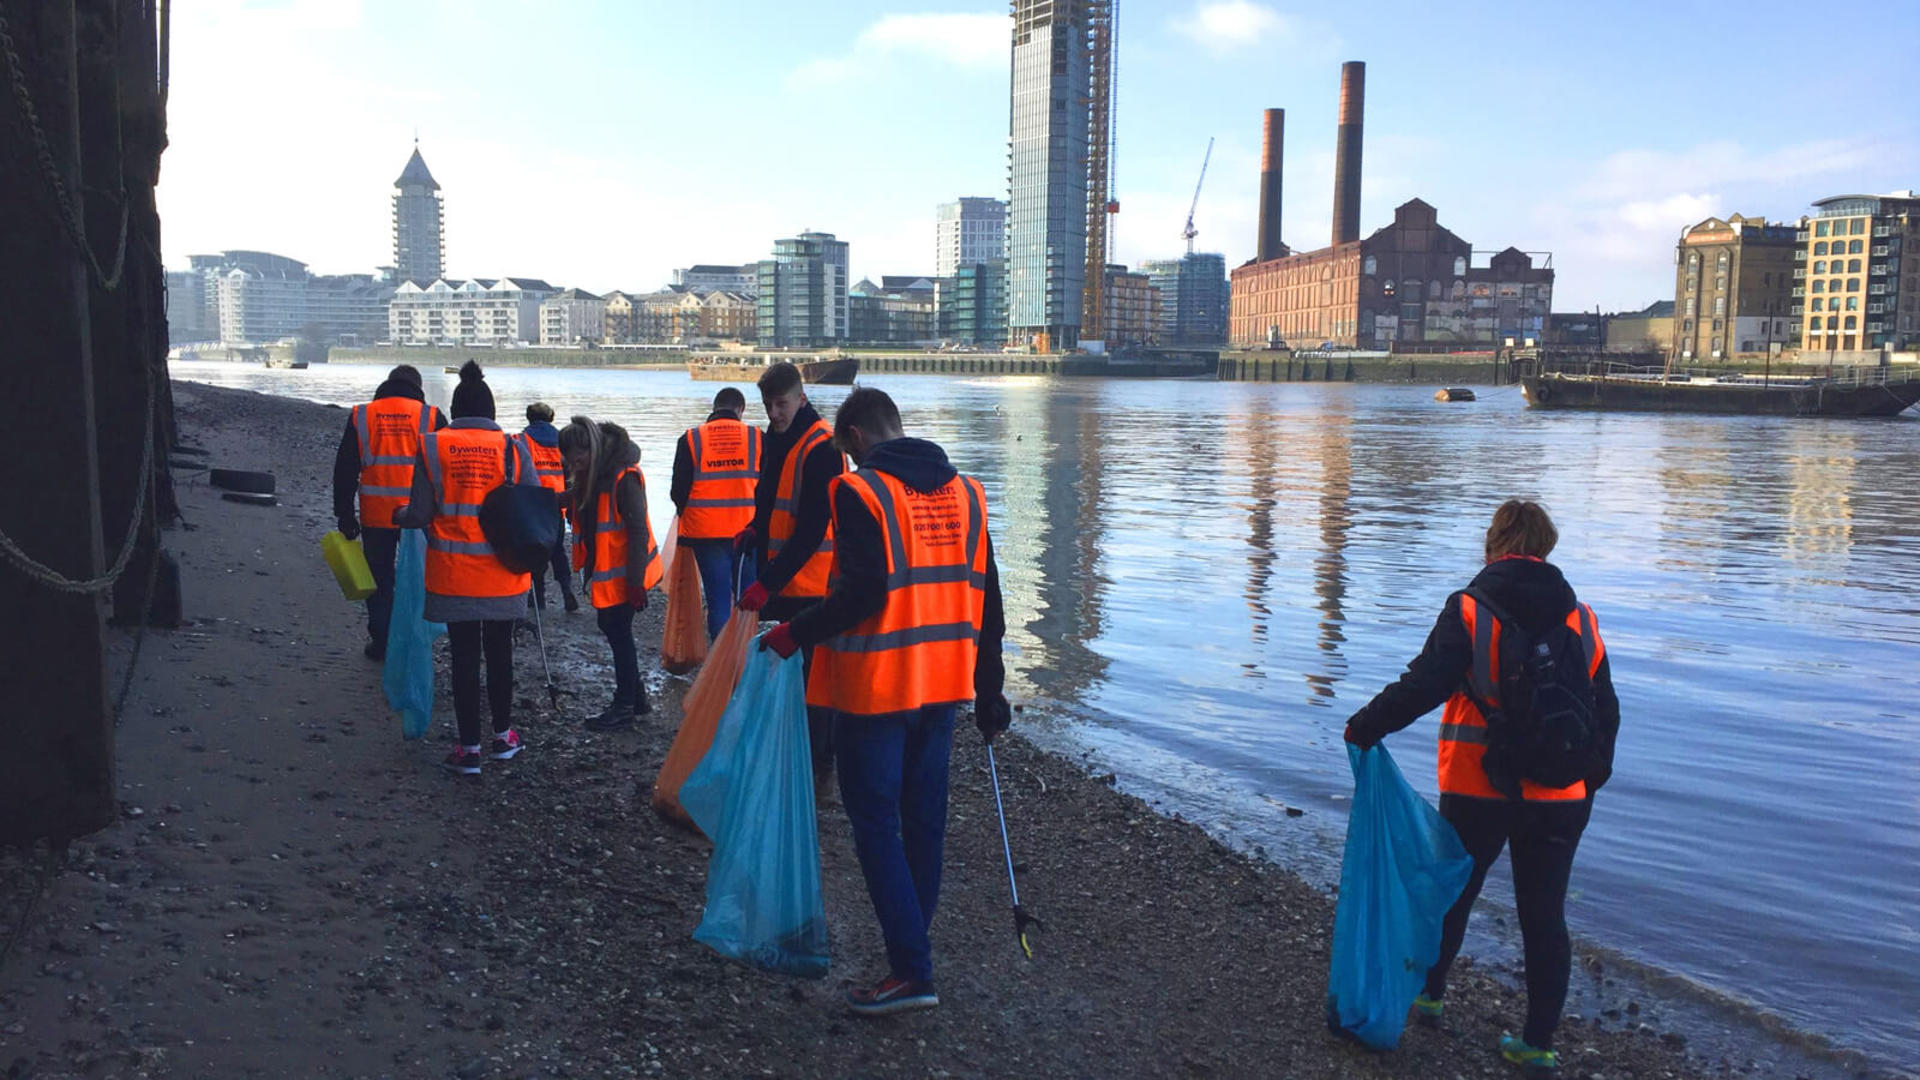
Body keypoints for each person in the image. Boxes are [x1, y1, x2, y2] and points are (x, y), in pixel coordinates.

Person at [1341, 500, 1619, 1076]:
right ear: (1546, 547)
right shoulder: (1581, 617)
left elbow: (1426, 685)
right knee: (1544, 916)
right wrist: (1591, 778)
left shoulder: (1470, 609)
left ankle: (1431, 994)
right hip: (1561, 797)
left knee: (1454, 894)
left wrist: (1366, 726)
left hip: (1478, 786)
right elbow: (1606, 711)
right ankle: (1538, 1043)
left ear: (1493, 544)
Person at [762, 387, 1010, 1017]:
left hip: (877, 691)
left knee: (875, 826)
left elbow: (862, 593)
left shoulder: (859, 493)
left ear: (855, 439)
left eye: (848, 452)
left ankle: (911, 970)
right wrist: (990, 690)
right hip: (944, 687)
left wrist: (794, 633)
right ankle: (910, 956)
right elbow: (991, 605)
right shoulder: (970, 495)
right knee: (923, 824)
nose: (848, 464)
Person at [392, 362, 536, 774]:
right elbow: (529, 509)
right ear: (491, 412)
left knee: (464, 658)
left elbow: (420, 514)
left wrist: (399, 515)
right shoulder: (513, 447)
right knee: (500, 654)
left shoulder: (432, 446)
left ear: (454, 409)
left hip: (453, 575)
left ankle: (469, 748)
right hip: (504, 575)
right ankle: (504, 738)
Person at [735, 361, 845, 787]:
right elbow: (769, 498)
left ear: (801, 398)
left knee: (815, 679)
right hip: (786, 579)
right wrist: (754, 529)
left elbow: (812, 529)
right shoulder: (777, 438)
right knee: (791, 671)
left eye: (781, 404)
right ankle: (795, 753)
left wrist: (766, 582)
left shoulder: (823, 448)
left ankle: (821, 767)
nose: (774, 413)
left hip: (814, 584)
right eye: (767, 405)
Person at [332, 364, 444, 660]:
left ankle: (382, 640)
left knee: (379, 580)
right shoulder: (430, 416)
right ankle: (415, 640)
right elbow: (445, 468)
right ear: (417, 388)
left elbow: (345, 467)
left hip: (376, 514)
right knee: (419, 579)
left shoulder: (362, 415)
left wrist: (344, 513)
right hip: (418, 516)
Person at [558, 416, 662, 732]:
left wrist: (635, 584)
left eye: (579, 459)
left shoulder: (623, 477)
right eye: (570, 461)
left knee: (619, 634)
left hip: (628, 575)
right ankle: (638, 698)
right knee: (614, 630)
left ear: (593, 449)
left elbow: (638, 532)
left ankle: (624, 707)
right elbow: (574, 499)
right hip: (612, 574)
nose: (574, 467)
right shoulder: (595, 474)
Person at [671, 387, 763, 639]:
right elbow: (769, 486)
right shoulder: (757, 437)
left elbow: (678, 492)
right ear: (740, 410)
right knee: (748, 600)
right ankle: (745, 662)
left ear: (714, 408)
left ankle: (720, 667)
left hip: (706, 533)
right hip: (749, 532)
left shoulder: (691, 439)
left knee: (718, 600)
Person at [515, 402, 578, 614]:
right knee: (558, 550)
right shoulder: (563, 441)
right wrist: (570, 508)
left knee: (535, 552)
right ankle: (567, 589)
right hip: (556, 505)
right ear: (551, 417)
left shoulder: (521, 440)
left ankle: (538, 598)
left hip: (532, 507)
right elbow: (570, 477)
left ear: (529, 418)